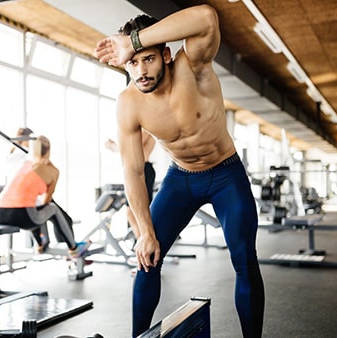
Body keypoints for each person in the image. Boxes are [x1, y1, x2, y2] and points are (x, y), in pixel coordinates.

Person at [94, 5, 265, 337]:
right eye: (132, 62)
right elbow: (132, 171)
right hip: (181, 178)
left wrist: (133, 41)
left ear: (166, 55)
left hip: (226, 174)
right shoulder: (128, 102)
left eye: (148, 58)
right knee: (147, 259)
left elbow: (206, 17)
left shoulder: (194, 66)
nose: (141, 70)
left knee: (244, 260)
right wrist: (144, 232)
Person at [0, 135, 90, 257]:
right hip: (22, 216)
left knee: (34, 205)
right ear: (49, 151)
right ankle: (74, 248)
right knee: (51, 208)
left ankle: (41, 244)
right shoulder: (53, 171)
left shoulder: (25, 165)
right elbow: (46, 201)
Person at [105, 129, 156, 241]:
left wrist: (112, 146)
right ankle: (142, 242)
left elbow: (132, 148)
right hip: (135, 170)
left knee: (141, 212)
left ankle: (145, 241)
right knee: (131, 212)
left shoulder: (147, 128)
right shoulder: (141, 128)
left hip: (143, 170)